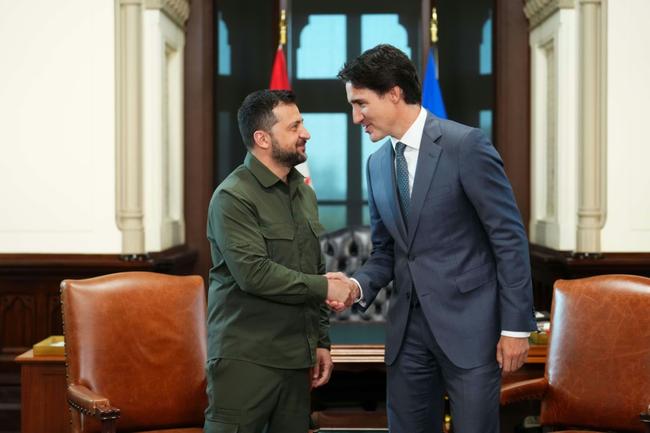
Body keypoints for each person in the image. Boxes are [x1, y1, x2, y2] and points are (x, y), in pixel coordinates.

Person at [332, 44, 536, 433]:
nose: (355, 117)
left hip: (472, 331)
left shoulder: (466, 146)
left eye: (361, 104)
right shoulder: (376, 165)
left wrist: (515, 328)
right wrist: (357, 286)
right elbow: (386, 252)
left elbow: (508, 238)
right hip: (407, 336)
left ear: (394, 93)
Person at [204, 89, 355, 433]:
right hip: (247, 361)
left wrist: (320, 342)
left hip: (296, 360)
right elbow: (254, 274)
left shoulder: (303, 192)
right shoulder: (232, 197)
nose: (306, 133)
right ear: (263, 139)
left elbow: (312, 269)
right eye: (294, 126)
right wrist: (327, 286)